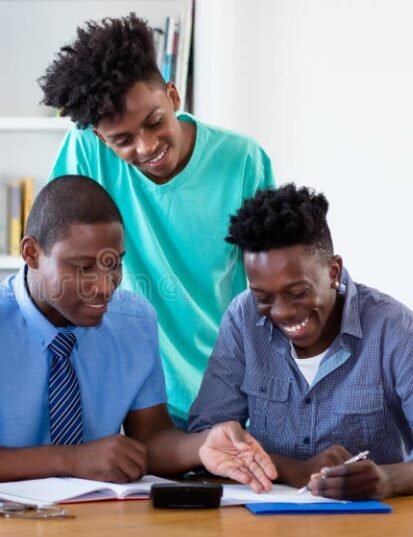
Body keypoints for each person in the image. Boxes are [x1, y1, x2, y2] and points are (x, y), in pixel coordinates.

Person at [0, 175, 277, 490]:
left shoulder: (135, 321)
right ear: (31, 253)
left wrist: (200, 446)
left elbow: (149, 437)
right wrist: (69, 460)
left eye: (113, 264)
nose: (104, 287)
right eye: (83, 267)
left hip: (98, 520)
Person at [40, 14, 276, 426]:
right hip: (121, 397)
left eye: (154, 122)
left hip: (221, 395)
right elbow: (51, 261)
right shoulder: (86, 150)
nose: (147, 147)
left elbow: (269, 288)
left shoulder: (242, 161)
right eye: (123, 141)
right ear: (100, 138)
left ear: (173, 96)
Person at [188, 184, 413, 500]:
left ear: (333, 271)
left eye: (298, 292)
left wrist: (388, 479)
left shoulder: (396, 330)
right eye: (263, 297)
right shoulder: (243, 318)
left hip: (376, 527)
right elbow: (208, 440)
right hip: (270, 525)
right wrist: (293, 469)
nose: (282, 312)